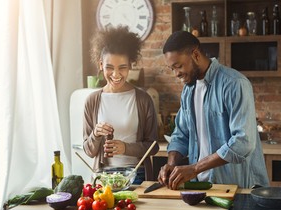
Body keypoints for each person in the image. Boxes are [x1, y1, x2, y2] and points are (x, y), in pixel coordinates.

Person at [158, 31, 269, 189]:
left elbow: (243, 142)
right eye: (172, 69)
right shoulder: (188, 91)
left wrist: (195, 168)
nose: (176, 74)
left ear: (195, 55)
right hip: (201, 186)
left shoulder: (234, 84)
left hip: (237, 187)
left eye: (179, 66)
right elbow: (181, 135)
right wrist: (171, 164)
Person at [83, 26, 159, 183]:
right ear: (100, 65)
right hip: (103, 176)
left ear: (130, 65)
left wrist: (126, 148)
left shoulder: (143, 99)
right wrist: (96, 135)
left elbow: (153, 146)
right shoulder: (92, 101)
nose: (116, 75)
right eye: (109, 67)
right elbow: (89, 151)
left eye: (122, 68)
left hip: (136, 175)